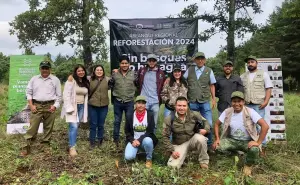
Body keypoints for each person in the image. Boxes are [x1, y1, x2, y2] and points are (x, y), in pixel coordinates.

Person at [213, 91, 269, 176]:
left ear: (243, 102)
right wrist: (217, 139)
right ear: (231, 102)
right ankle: (233, 156)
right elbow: (216, 124)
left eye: (239, 101)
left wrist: (258, 142)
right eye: (234, 101)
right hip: (232, 140)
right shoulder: (227, 111)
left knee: (254, 149)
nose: (237, 104)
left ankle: (248, 165)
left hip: (247, 141)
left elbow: (265, 126)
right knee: (217, 146)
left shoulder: (250, 112)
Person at [20, 61, 61, 156]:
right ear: (40, 69)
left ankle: (45, 145)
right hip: (36, 105)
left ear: (50, 69)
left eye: (47, 68)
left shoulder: (55, 80)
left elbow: (59, 96)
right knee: (32, 128)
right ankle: (26, 147)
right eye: (43, 68)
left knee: (48, 127)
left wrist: (55, 106)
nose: (45, 70)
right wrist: (31, 105)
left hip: (50, 106)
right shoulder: (34, 79)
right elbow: (28, 92)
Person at [163, 96, 210, 169]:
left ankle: (204, 162)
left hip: (192, 140)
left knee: (201, 138)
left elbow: (205, 121)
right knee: (173, 166)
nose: (182, 108)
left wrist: (206, 129)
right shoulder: (169, 118)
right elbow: (165, 136)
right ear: (175, 106)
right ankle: (184, 157)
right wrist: (172, 150)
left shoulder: (194, 114)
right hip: (179, 144)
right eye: (179, 105)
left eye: (184, 106)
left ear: (187, 106)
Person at [183, 52, 216, 150]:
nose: (200, 60)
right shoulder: (190, 70)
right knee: (193, 124)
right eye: (198, 59)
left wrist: (213, 99)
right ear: (195, 60)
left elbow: (212, 85)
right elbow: (182, 80)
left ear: (205, 60)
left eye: (202, 59)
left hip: (205, 101)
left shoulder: (209, 70)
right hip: (192, 101)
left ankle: (209, 145)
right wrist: (169, 79)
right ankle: (194, 145)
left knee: (208, 123)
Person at [240, 56, 272, 156]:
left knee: (259, 126)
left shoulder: (263, 74)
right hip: (247, 105)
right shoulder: (243, 76)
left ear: (256, 63)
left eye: (252, 62)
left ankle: (262, 149)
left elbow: (268, 88)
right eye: (248, 62)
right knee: (247, 126)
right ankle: (249, 148)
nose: (250, 64)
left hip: (259, 105)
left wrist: (266, 101)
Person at [61, 64, 89, 157]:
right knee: (74, 126)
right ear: (75, 72)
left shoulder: (85, 81)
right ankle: (72, 147)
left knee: (75, 125)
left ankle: (71, 142)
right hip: (73, 107)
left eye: (82, 70)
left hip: (81, 106)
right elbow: (66, 94)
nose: (81, 72)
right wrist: (68, 107)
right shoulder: (71, 80)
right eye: (79, 71)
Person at [110, 55, 138, 146]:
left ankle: (129, 139)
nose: (124, 65)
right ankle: (116, 139)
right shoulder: (115, 73)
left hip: (129, 101)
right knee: (117, 121)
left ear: (129, 64)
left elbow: (138, 86)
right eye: (122, 63)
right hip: (118, 101)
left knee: (129, 121)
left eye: (126, 63)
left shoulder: (134, 74)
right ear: (120, 64)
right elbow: (110, 85)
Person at [124, 96, 158, 168]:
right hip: (134, 140)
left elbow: (150, 131)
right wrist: (132, 140)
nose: (141, 105)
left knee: (148, 141)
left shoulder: (150, 114)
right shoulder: (130, 114)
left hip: (144, 140)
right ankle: (138, 153)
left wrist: (139, 140)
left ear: (145, 105)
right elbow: (127, 131)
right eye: (139, 103)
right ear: (135, 104)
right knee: (128, 157)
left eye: (143, 103)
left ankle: (149, 159)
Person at [137, 54, 166, 132]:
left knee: (154, 123)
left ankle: (152, 139)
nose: (151, 62)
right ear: (147, 62)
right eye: (150, 60)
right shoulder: (142, 70)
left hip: (155, 101)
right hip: (143, 101)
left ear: (156, 62)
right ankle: (142, 138)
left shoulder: (161, 73)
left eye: (153, 60)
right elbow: (135, 80)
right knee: (142, 122)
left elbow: (164, 84)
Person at [88, 65, 110, 148]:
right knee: (93, 124)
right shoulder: (89, 79)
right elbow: (79, 75)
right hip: (92, 105)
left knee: (101, 124)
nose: (99, 71)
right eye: (97, 70)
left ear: (103, 71)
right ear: (94, 71)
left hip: (104, 106)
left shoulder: (107, 79)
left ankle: (100, 140)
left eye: (101, 70)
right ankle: (92, 141)